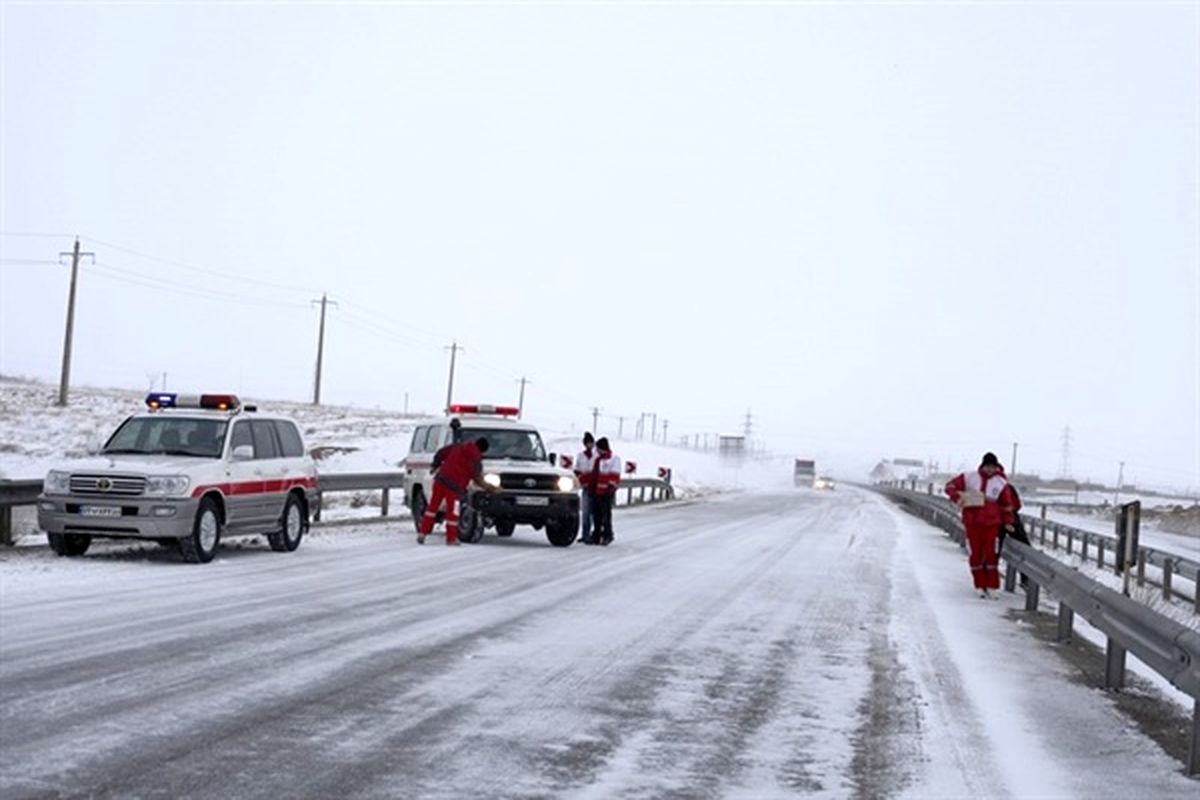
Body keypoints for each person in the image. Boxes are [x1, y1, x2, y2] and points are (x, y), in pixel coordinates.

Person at [944, 452, 1012, 598]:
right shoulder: (970, 477)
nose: (990, 469)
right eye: (987, 466)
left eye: (992, 467)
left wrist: (1008, 522)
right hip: (972, 522)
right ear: (982, 465)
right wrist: (957, 496)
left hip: (991, 524)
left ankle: (992, 586)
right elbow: (950, 486)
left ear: (996, 467)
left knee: (991, 554)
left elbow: (1006, 504)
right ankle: (979, 584)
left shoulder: (1001, 482)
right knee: (975, 554)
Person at [418, 436, 493, 546]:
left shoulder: (458, 446)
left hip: (440, 480)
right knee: (452, 513)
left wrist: (435, 465)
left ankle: (422, 534)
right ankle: (451, 539)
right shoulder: (476, 459)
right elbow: (477, 479)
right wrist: (490, 488)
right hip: (454, 488)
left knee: (432, 508)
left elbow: (441, 452)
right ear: (483, 450)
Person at [588, 437, 622, 546]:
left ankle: (608, 534)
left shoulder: (614, 459)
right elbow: (594, 475)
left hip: (606, 492)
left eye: (598, 449)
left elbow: (615, 476)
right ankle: (596, 534)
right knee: (596, 514)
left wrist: (611, 488)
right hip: (597, 492)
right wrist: (591, 489)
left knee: (606, 515)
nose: (597, 451)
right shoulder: (598, 460)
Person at [574, 432, 597, 544]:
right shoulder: (581, 456)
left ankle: (594, 533)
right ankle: (585, 534)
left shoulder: (597, 456)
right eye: (587, 443)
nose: (589, 445)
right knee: (586, 512)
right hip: (586, 487)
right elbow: (577, 471)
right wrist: (581, 481)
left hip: (596, 487)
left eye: (591, 443)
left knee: (594, 512)